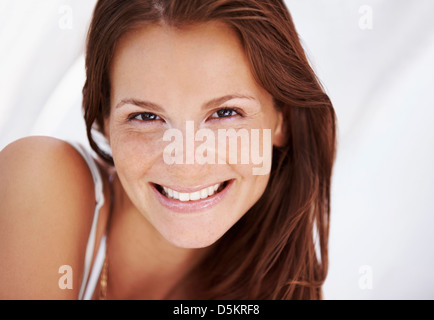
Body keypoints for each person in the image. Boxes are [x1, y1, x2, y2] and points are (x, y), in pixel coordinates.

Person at [0, 0, 336, 300]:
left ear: (282, 120)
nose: (187, 161)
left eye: (224, 113)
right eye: (146, 117)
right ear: (103, 120)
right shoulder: (40, 180)